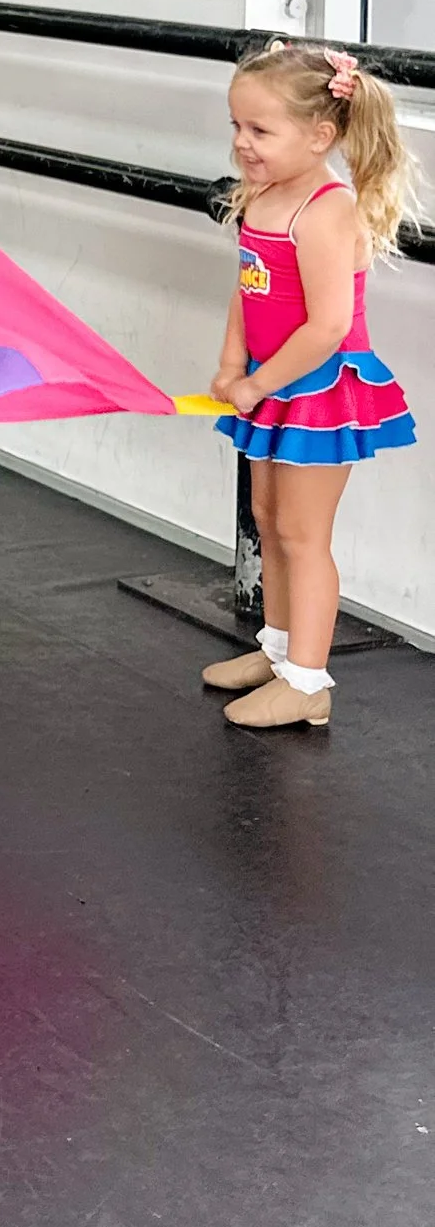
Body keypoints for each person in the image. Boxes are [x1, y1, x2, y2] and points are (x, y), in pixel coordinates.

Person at [199, 38, 416, 731]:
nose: (242, 143)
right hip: (273, 389)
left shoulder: (325, 208)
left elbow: (325, 327)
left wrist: (257, 379)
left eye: (259, 129)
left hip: (318, 391)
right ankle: (279, 650)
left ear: (320, 134)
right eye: (237, 126)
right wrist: (233, 363)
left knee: (301, 532)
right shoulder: (265, 194)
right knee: (268, 521)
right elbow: (246, 290)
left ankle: (308, 682)